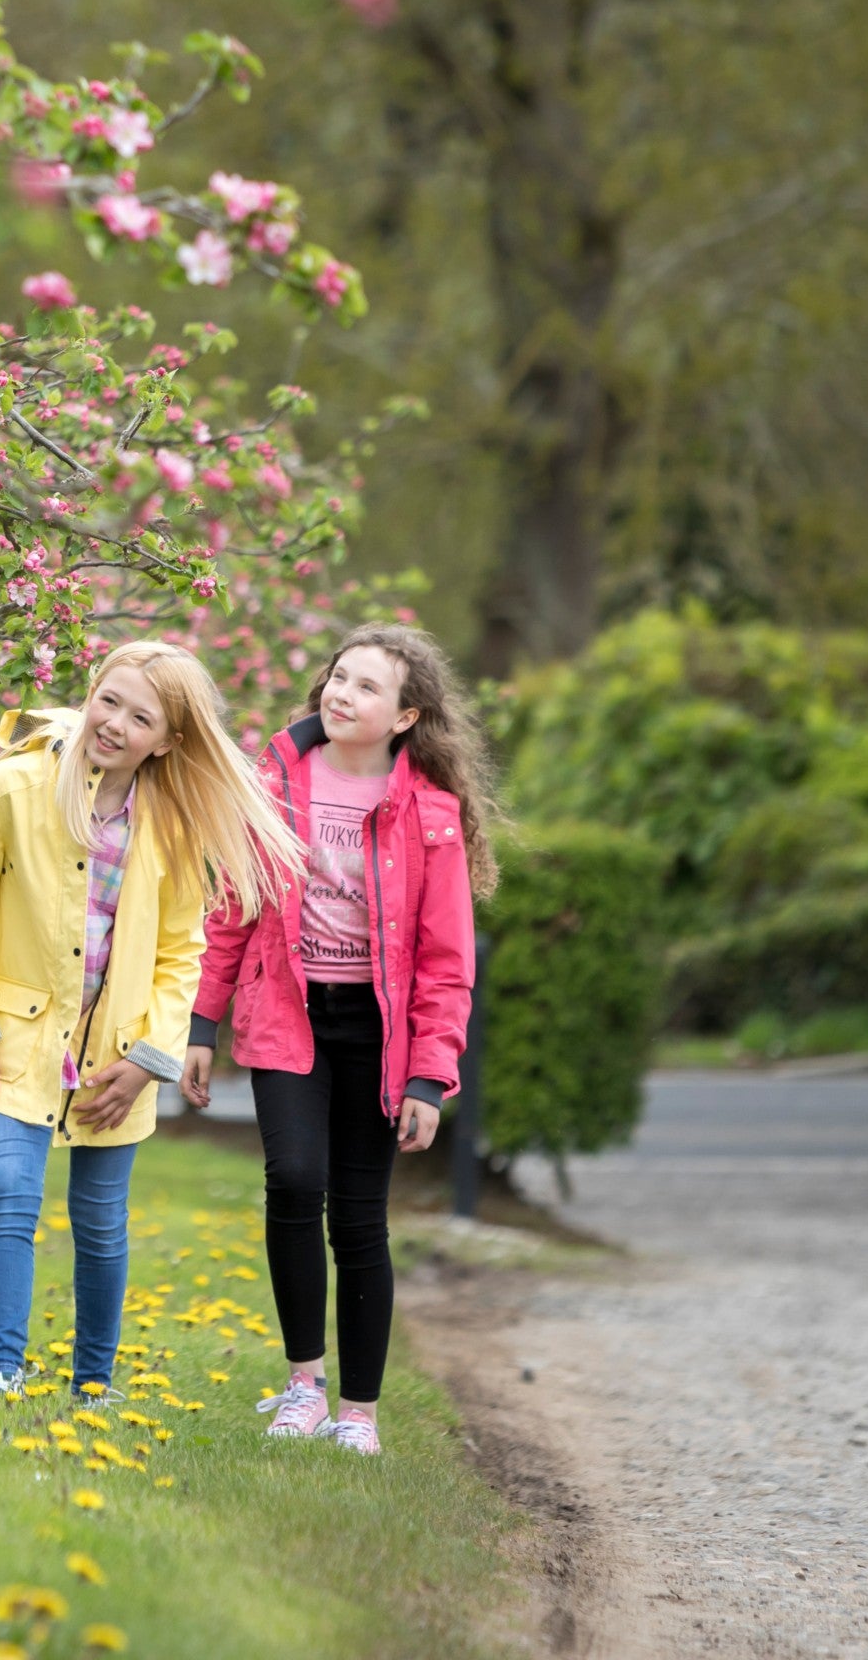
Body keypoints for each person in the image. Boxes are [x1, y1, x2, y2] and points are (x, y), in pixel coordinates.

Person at [0, 641, 300, 1407]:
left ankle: (92, 1386)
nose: (116, 724)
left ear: (168, 740)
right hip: (16, 1036)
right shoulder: (14, 785)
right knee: (10, 1190)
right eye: (110, 701)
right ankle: (2, 1373)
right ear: (89, 693)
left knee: (100, 1222)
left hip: (117, 1057)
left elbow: (180, 951)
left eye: (143, 718)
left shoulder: (173, 824)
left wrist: (151, 1057)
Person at [184, 622, 497, 1456]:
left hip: (380, 1034)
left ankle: (357, 1413)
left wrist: (432, 1077)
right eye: (338, 676)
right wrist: (199, 1024)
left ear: (405, 717)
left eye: (366, 687)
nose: (341, 693)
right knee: (293, 1180)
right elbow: (232, 906)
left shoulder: (428, 812)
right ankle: (302, 1387)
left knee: (359, 1219)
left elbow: (446, 957)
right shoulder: (274, 780)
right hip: (287, 1013)